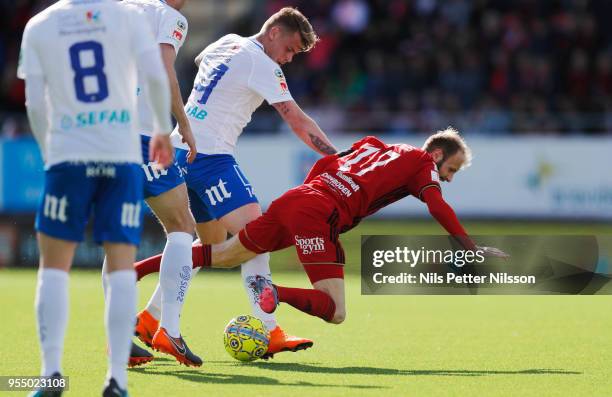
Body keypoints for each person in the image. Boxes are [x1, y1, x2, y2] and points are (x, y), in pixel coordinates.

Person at [135, 129, 509, 327]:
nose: (448, 178)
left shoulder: (376, 146)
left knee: (228, 254)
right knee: (335, 311)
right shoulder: (422, 164)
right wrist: (468, 247)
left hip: (297, 198)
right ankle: (273, 291)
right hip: (320, 213)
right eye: (451, 170)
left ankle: (136, 270)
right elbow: (438, 206)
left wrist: (313, 193)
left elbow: (328, 162)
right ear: (438, 155)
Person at [133, 6, 337, 359]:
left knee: (208, 244)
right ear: (274, 31)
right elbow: (296, 119)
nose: (289, 59)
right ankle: (270, 330)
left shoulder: (226, 42)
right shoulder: (263, 64)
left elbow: (200, 59)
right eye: (290, 48)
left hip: (181, 148)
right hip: (210, 157)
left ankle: (151, 318)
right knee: (257, 236)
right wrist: (337, 160)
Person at [18, 0, 174, 395]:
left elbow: (34, 102)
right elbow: (155, 76)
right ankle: (116, 380)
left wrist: (48, 149)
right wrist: (159, 127)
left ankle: (51, 375)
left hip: (69, 155)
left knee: (53, 269)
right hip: (120, 156)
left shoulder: (40, 24)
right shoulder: (130, 17)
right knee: (122, 268)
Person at [104, 0, 202, 368]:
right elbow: (163, 69)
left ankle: (119, 340)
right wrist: (184, 126)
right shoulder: (169, 17)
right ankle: (168, 330)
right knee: (181, 227)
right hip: (141, 136)